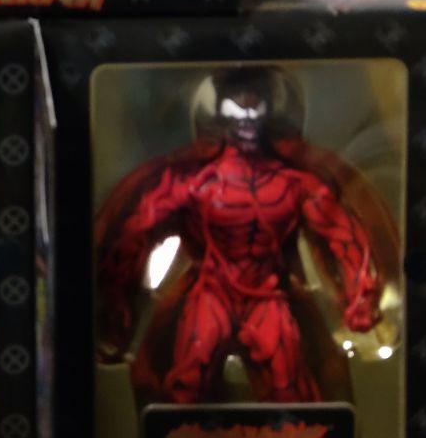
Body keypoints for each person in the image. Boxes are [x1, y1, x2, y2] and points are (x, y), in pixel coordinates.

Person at [95, 67, 384, 405]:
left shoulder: (295, 183)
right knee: (186, 382)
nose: (246, 120)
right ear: (220, 117)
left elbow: (343, 235)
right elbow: (135, 228)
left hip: (268, 293)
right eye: (238, 110)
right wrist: (114, 297)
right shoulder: (192, 180)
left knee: (290, 387)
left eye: (253, 109)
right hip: (211, 289)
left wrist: (360, 295)